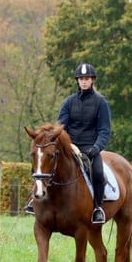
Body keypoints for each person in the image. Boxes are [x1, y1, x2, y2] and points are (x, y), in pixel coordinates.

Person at [25, 63, 111, 224]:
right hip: (70, 145)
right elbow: (60, 126)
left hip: (90, 147)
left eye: (87, 79)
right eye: (81, 79)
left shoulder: (101, 103)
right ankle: (34, 199)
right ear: (77, 81)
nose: (84, 82)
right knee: (44, 165)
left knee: (98, 173)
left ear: (92, 80)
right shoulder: (69, 102)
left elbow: (104, 130)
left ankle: (98, 208)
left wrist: (96, 148)